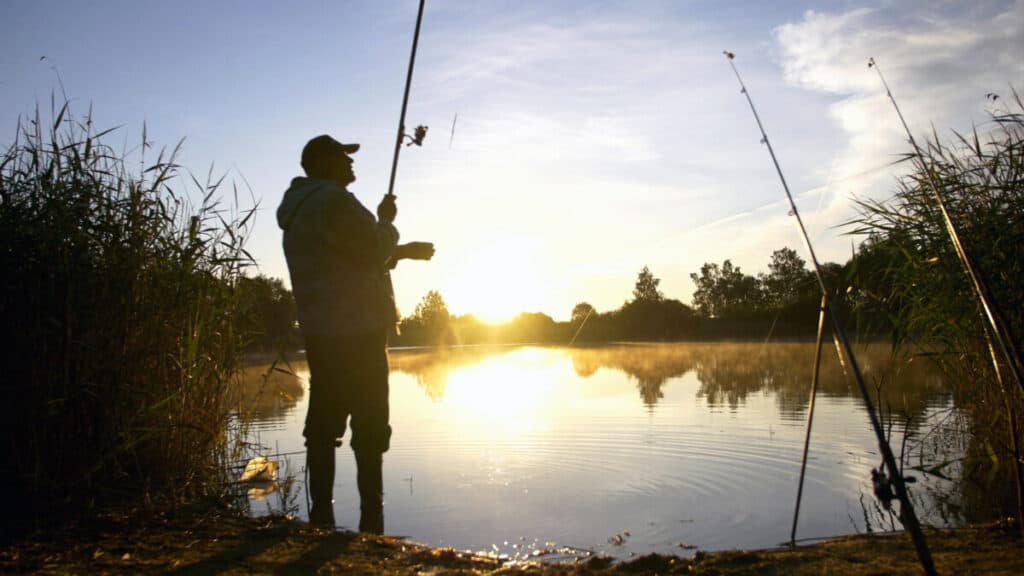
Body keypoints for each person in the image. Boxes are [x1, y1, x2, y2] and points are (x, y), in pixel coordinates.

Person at [276, 134, 434, 533]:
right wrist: (387, 223)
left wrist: (400, 252)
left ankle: (321, 517)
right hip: (359, 329)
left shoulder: (300, 209)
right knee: (369, 424)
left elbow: (347, 258)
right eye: (344, 158)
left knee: (325, 420)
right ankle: (371, 518)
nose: (351, 164)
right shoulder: (334, 200)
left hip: (322, 330)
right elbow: (372, 247)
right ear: (324, 162)